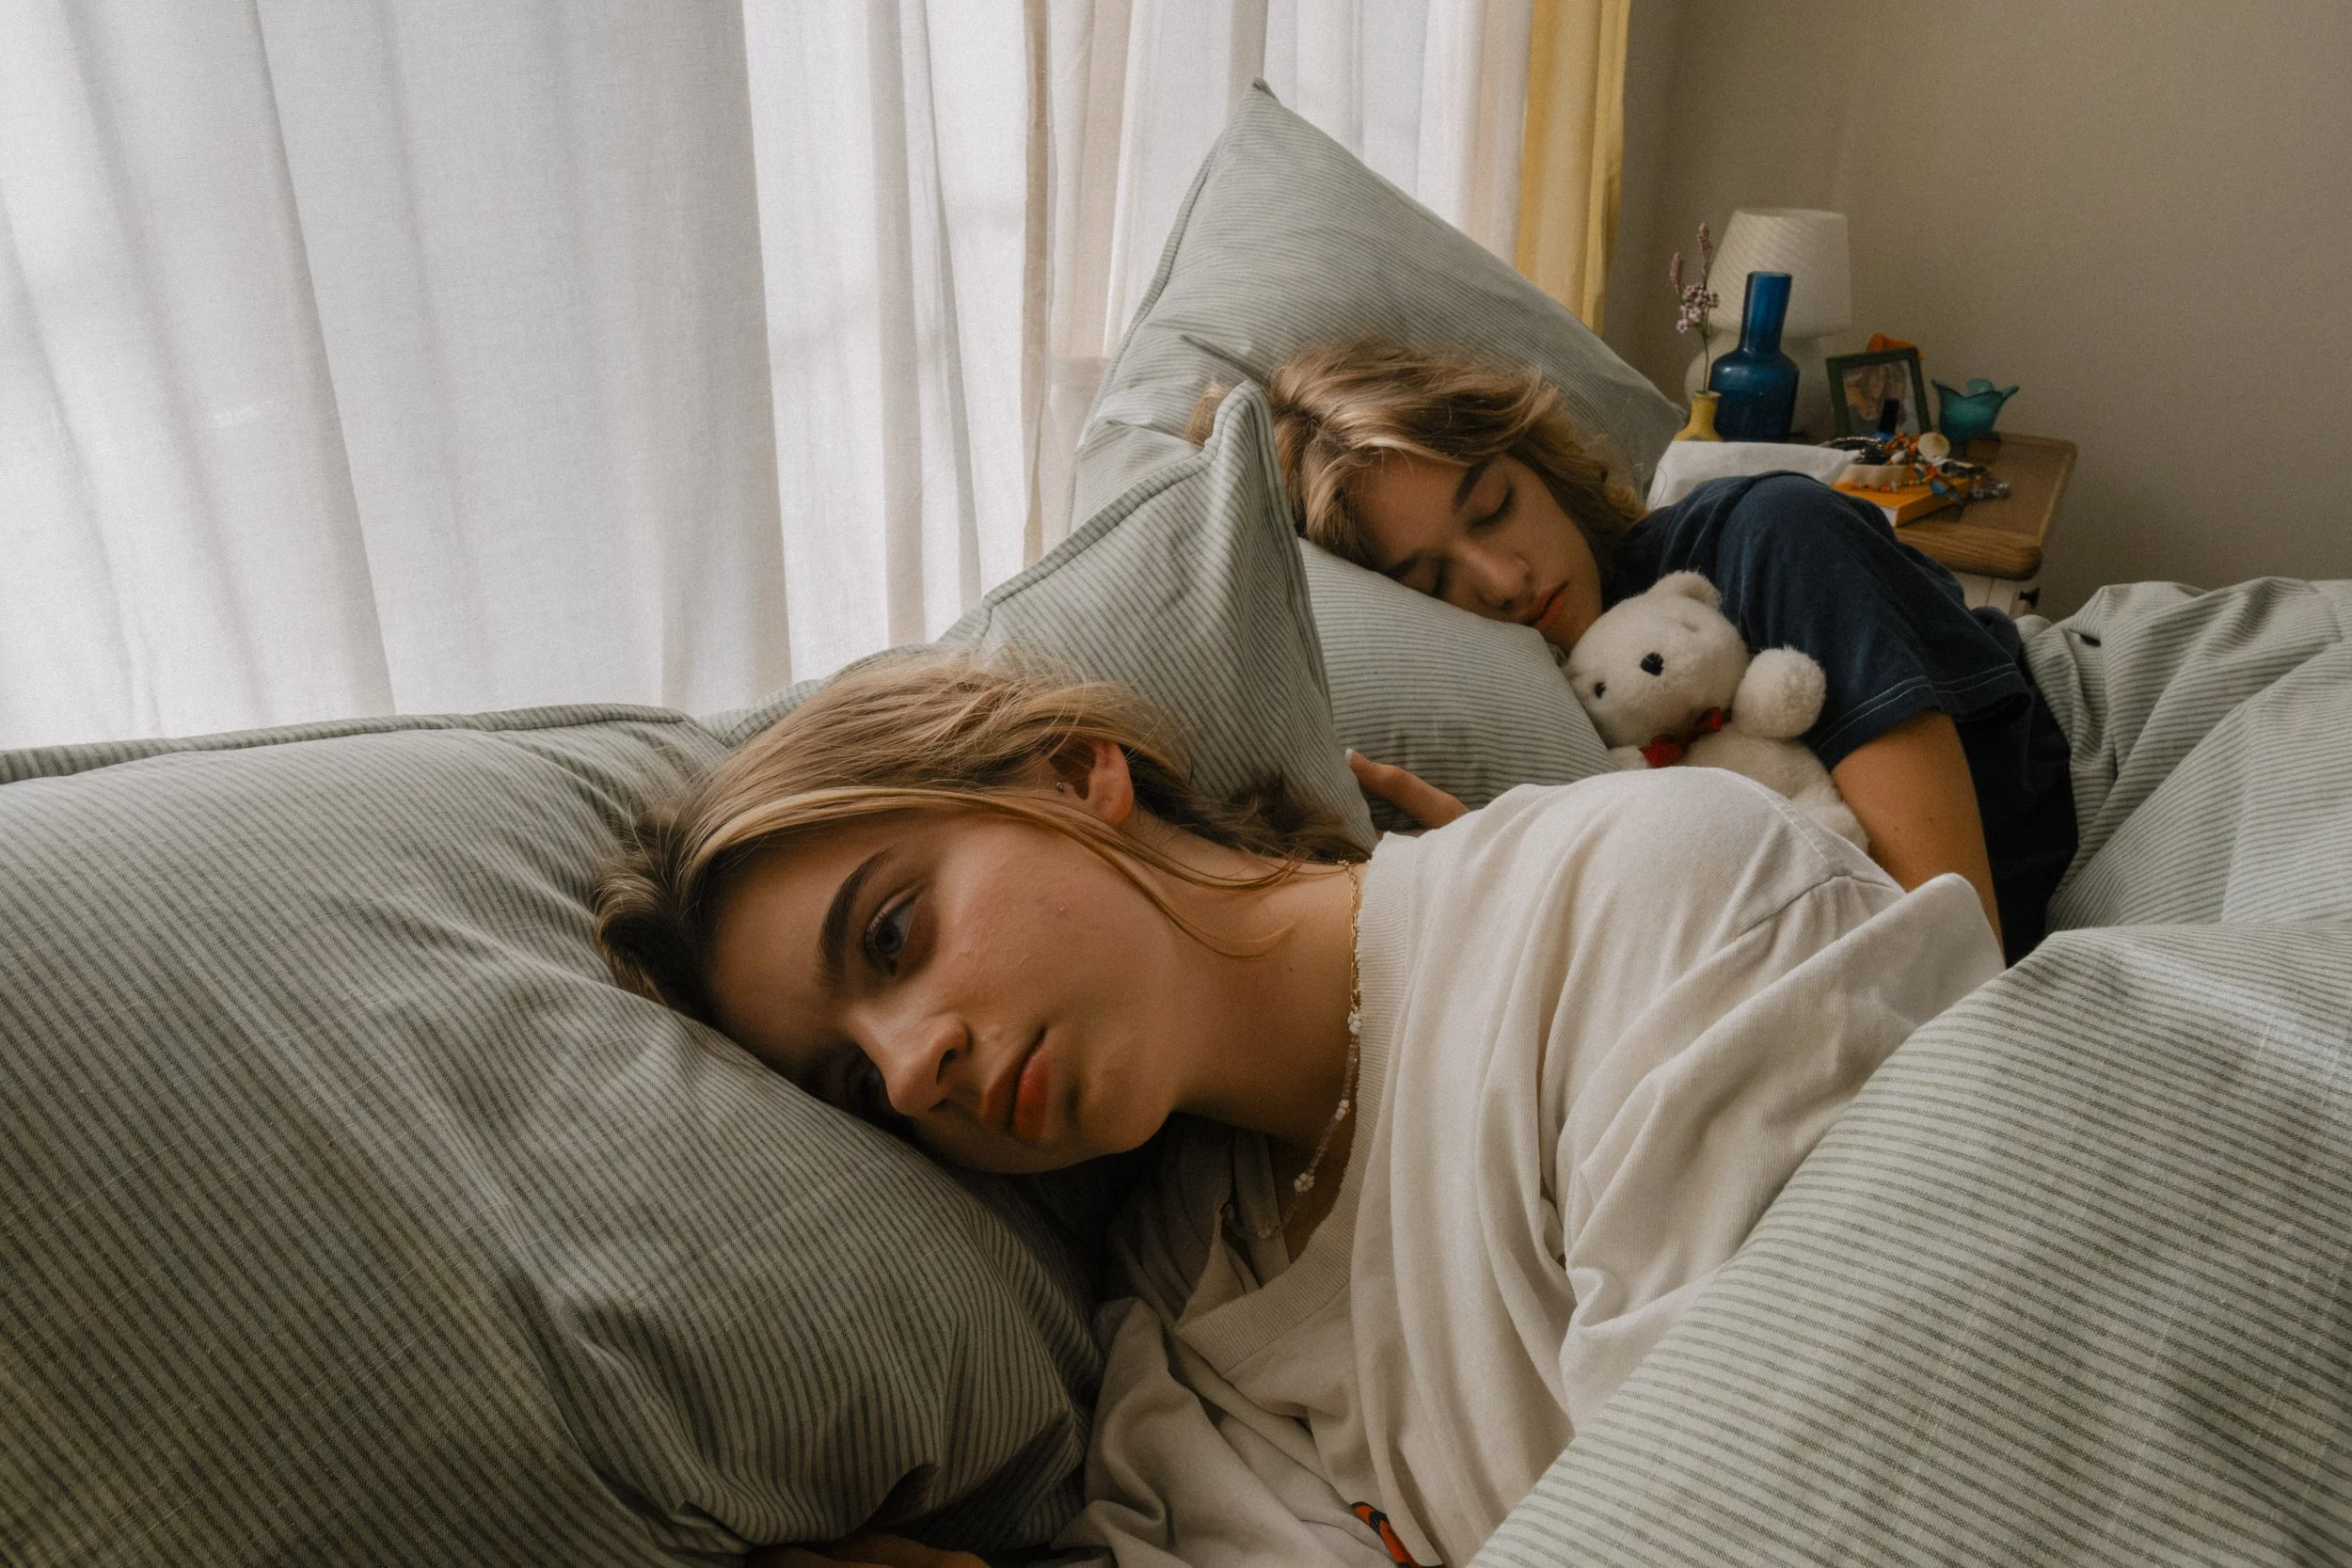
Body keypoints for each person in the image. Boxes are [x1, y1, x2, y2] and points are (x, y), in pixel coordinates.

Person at [595, 651, 2002, 1567]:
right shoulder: (1177, 1300)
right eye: (857, 1082)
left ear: (1073, 771)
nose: (911, 1072)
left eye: (894, 933)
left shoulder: (1642, 895)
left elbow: (1788, 1507)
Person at [1200, 341, 2079, 962]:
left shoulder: (1771, 538)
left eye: (1496, 506)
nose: (1503, 580)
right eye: (1433, 582)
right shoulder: (1544, 712)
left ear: (1533, 459)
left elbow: (1949, 942)